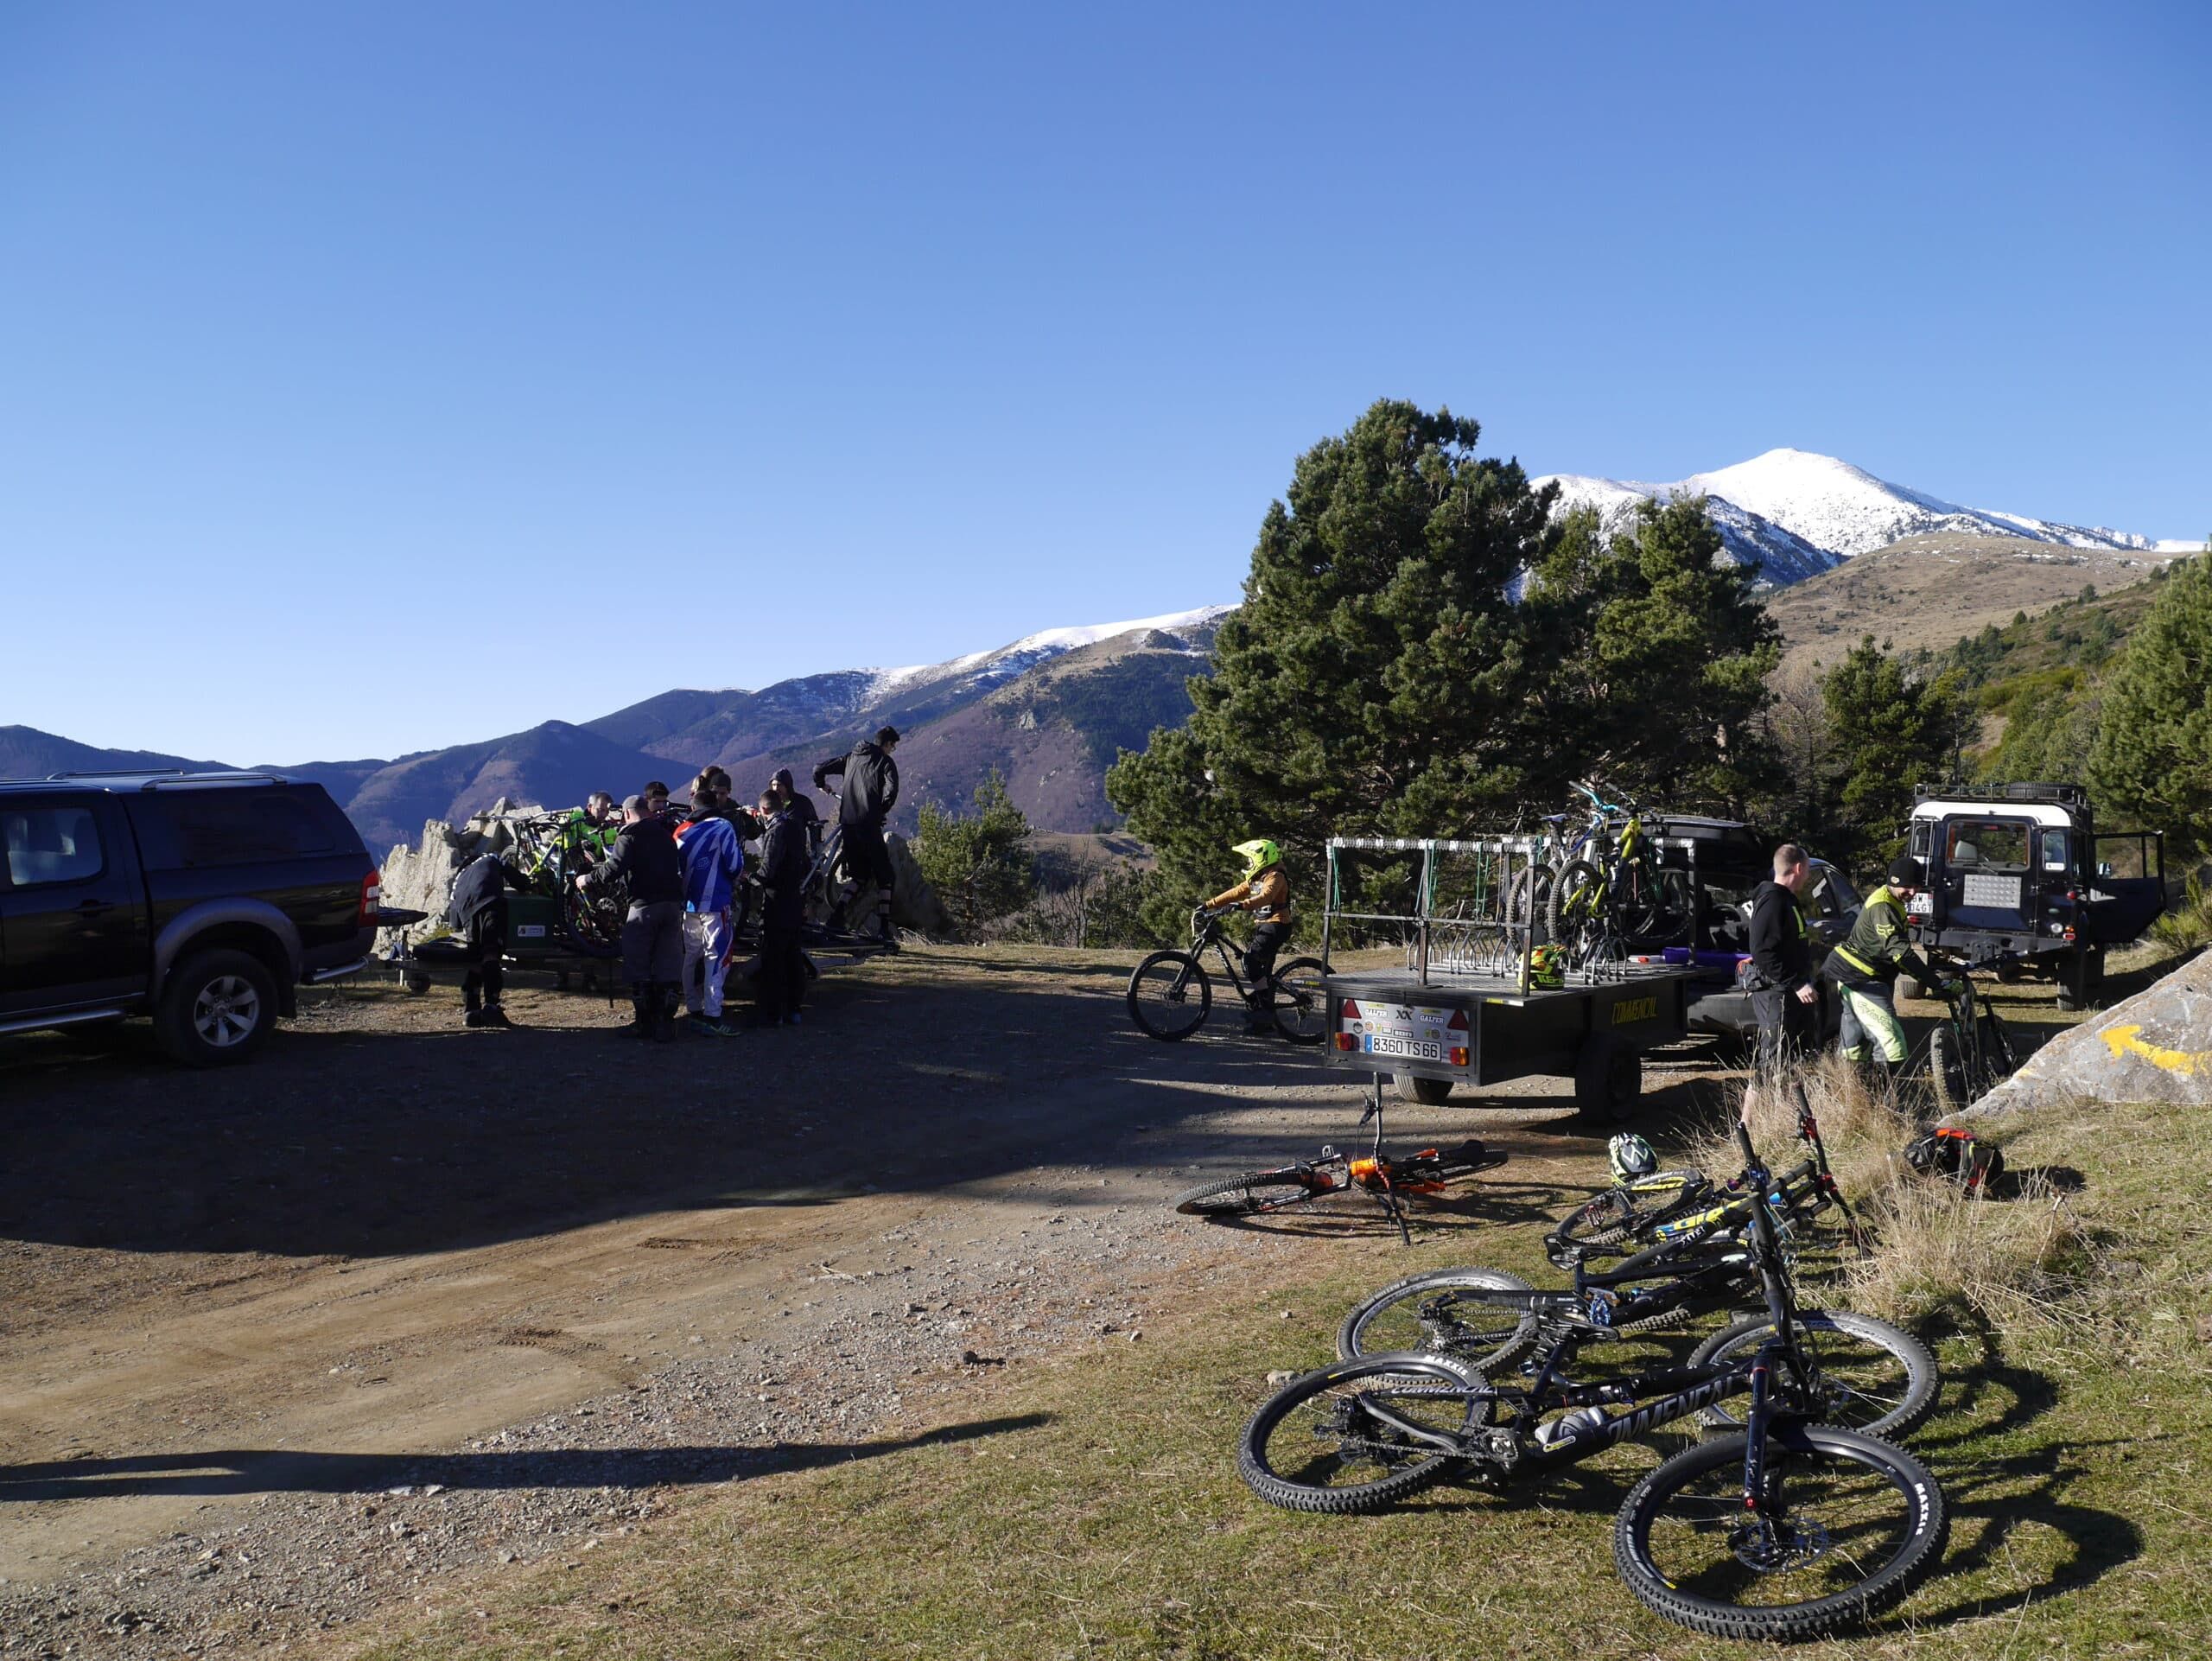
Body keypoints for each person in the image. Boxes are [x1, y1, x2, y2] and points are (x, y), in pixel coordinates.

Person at [1822, 854, 1951, 1088]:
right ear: (1892, 882)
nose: (1912, 892)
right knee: (1892, 1043)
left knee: (1855, 1044)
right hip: (1859, 978)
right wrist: (1936, 983)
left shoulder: (1892, 901)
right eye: (1906, 886)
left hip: (1860, 977)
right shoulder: (1883, 906)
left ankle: (1852, 1096)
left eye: (1916, 886)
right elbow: (1901, 954)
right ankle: (1882, 1100)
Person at [577, 793, 685, 1041]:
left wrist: (587, 880)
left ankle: (643, 1024)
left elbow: (614, 869)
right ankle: (667, 1023)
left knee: (638, 964)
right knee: (667, 964)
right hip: (672, 906)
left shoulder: (629, 836)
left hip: (644, 906)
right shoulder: (666, 836)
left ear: (626, 814)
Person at [811, 726, 900, 948]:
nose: (893, 749)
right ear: (887, 744)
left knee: (859, 875)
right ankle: (883, 930)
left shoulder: (851, 757)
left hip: (848, 824)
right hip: (868, 825)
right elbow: (892, 790)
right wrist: (880, 812)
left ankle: (836, 918)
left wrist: (821, 785)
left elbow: (818, 768)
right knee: (885, 876)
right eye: (893, 745)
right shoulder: (885, 762)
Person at [675, 783, 744, 1035]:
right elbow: (735, 864)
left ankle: (692, 1008)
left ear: (693, 807)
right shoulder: (722, 827)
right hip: (716, 902)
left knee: (691, 956)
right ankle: (713, 1015)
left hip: (689, 904)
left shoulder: (680, 831)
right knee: (716, 957)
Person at [1206, 837, 1293, 1034]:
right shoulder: (1259, 877)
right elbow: (1237, 891)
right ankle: (1263, 1022)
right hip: (1266, 926)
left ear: (1261, 859)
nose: (1248, 864)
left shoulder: (1275, 876)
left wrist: (1241, 905)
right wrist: (1209, 904)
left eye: (1250, 860)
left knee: (1251, 961)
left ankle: (1264, 1008)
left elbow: (1266, 897)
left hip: (1277, 926)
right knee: (1264, 974)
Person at [1747, 843, 1820, 1071]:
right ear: (1798, 868)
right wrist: (1797, 983)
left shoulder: (1787, 899)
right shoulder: (1772, 901)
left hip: (1793, 993)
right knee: (1772, 1064)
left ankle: (1791, 1107)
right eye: (1807, 870)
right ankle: (1759, 1107)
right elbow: (1762, 952)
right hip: (1776, 992)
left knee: (1795, 1059)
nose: (1808, 876)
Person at [447, 848, 529, 1028]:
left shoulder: (458, 879)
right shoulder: (491, 857)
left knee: (476, 956)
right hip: (490, 901)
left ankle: (471, 1010)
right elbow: (519, 881)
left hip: (466, 910)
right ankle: (492, 1006)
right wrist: (529, 884)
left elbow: (454, 921)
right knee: (491, 953)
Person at [753, 786, 811, 1026]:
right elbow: (806, 863)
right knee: (793, 954)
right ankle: (794, 1008)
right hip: (795, 898)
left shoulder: (776, 830)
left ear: (763, 809)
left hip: (777, 899)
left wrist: (750, 879)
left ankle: (773, 1011)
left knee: (773, 955)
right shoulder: (796, 827)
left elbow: (768, 868)